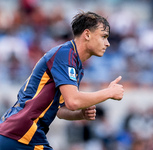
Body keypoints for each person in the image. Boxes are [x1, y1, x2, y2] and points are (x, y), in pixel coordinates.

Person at [0, 11, 124, 150]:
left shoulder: (75, 64)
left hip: (18, 133)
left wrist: (80, 114)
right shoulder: (65, 55)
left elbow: (60, 110)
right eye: (104, 37)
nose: (107, 43)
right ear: (87, 34)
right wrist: (109, 93)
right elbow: (73, 101)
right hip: (22, 133)